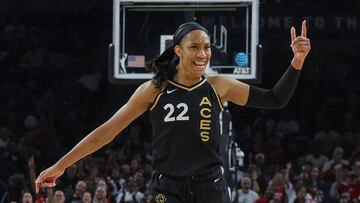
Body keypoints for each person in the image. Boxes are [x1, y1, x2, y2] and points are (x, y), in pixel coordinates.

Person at [35, 20, 311, 203]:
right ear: (178, 50)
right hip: (168, 187)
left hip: (209, 187)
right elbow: (107, 131)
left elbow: (275, 99)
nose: (203, 53)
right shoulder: (154, 89)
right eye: (194, 47)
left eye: (206, 47)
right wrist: (61, 165)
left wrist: (296, 62)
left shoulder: (219, 86)